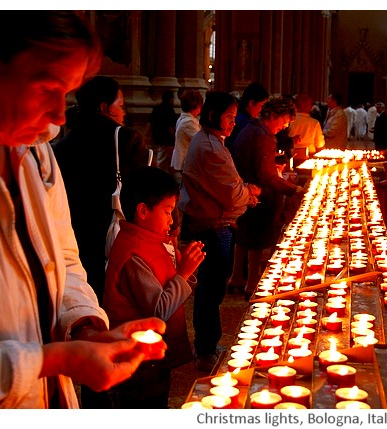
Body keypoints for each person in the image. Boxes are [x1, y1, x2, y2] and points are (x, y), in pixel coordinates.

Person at [0, 10, 166, 409]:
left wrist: (85, 327)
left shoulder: (34, 147)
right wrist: (56, 358)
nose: (59, 116)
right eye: (46, 88)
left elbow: (62, 257)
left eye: (69, 93)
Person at [103, 166, 205, 408]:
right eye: (168, 211)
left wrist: (185, 272)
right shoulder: (132, 253)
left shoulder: (151, 240)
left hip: (154, 357)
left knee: (158, 398)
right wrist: (184, 273)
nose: (171, 220)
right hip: (138, 361)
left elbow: (169, 283)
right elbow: (158, 310)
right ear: (142, 211)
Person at [178, 91, 261, 372]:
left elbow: (228, 186)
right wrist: (248, 193)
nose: (233, 122)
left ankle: (208, 345)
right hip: (212, 228)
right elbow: (231, 194)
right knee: (211, 290)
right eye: (229, 116)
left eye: (234, 117)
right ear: (213, 115)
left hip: (214, 223)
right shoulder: (211, 148)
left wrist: (242, 191)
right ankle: (205, 349)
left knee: (211, 289)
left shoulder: (212, 142)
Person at [52, 76, 151, 304]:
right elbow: (143, 190)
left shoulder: (62, 145)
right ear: (105, 107)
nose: (124, 112)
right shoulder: (126, 139)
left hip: (73, 237)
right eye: (121, 105)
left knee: (83, 296)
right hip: (114, 237)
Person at [232, 97, 305, 300]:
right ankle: (252, 285)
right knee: (257, 240)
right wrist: (295, 190)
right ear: (272, 115)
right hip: (259, 195)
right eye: (283, 122)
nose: (284, 127)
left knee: (243, 236)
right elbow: (266, 176)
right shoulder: (264, 135)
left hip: (244, 190)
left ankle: (236, 276)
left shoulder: (250, 128)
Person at [224, 82, 269, 294]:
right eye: (261, 106)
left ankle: (237, 275)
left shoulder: (246, 123)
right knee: (251, 234)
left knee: (241, 234)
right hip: (243, 186)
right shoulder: (247, 125)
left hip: (240, 184)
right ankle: (247, 280)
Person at [170, 89, 203, 185]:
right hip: (185, 162)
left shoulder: (184, 118)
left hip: (184, 162)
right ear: (197, 106)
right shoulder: (188, 122)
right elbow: (201, 139)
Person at [225, 82, 270, 153]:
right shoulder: (244, 123)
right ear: (251, 103)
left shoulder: (242, 117)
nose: (261, 110)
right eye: (261, 105)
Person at [288, 93, 325, 159]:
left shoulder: (289, 120)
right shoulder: (314, 123)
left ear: (295, 106)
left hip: (291, 155)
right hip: (309, 157)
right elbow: (319, 144)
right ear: (310, 107)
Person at [149, 89, 178, 174]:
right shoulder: (169, 110)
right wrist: (175, 138)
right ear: (171, 99)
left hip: (157, 138)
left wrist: (147, 136)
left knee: (162, 160)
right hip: (167, 140)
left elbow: (150, 123)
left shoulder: (157, 108)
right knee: (162, 162)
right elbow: (171, 127)